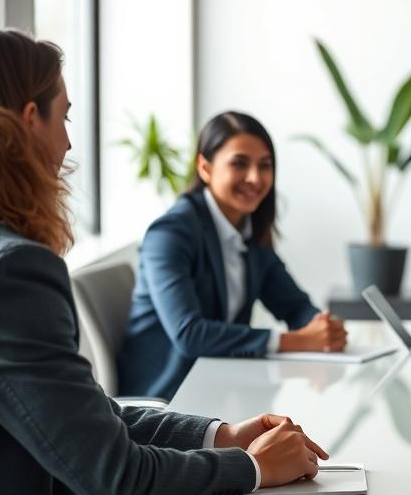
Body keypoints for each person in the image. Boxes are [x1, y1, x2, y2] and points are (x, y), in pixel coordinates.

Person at [0, 28, 327, 495]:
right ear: (28, 118)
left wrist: (220, 434)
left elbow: (83, 411)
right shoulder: (5, 271)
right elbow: (117, 477)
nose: (68, 144)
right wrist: (253, 467)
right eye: (64, 118)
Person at [117, 111, 346, 399]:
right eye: (240, 163)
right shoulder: (171, 234)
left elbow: (294, 306)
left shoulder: (251, 231)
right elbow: (190, 335)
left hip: (222, 388)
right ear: (205, 168)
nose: (255, 178)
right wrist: (296, 341)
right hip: (168, 399)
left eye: (265, 166)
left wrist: (321, 328)